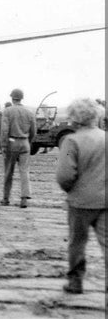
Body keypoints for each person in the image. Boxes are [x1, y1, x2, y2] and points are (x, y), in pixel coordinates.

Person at [55, 98, 105, 294]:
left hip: (80, 202)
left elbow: (64, 174)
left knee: (77, 242)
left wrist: (71, 190)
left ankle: (75, 282)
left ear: (75, 119)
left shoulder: (71, 141)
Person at [0, 88, 37, 207]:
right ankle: (24, 198)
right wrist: (28, 141)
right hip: (25, 143)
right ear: (21, 98)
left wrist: (3, 145)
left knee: (8, 172)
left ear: (12, 98)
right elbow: (34, 131)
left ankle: (6, 198)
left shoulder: (8, 111)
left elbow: (4, 130)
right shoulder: (30, 112)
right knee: (24, 171)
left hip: (12, 142)